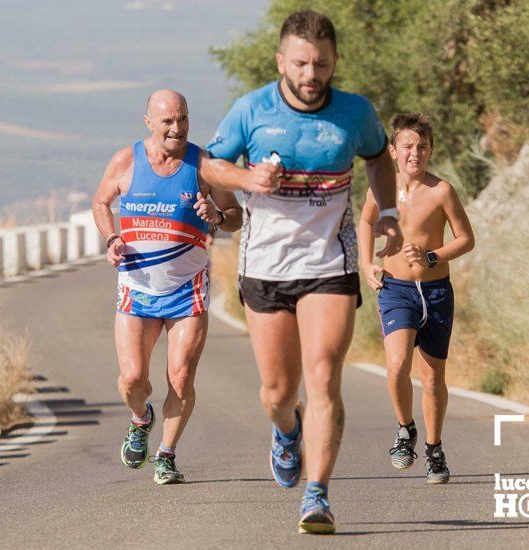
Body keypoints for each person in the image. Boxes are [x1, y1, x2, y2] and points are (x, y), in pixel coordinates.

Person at [203, 10, 403, 534]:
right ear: (281, 62)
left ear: (334, 61)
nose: (310, 74)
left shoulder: (355, 113)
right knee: (277, 391)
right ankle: (286, 431)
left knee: (322, 377)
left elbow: (380, 158)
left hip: (327, 263)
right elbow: (209, 164)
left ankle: (317, 496)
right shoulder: (252, 110)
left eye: (320, 63)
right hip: (265, 265)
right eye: (300, 63)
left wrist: (387, 212)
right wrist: (248, 177)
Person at [91, 89, 245, 485]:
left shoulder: (203, 163)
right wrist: (111, 239)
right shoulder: (127, 160)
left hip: (187, 289)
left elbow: (235, 217)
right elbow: (100, 202)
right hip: (137, 288)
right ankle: (141, 418)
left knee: (180, 377)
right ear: (149, 122)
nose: (177, 128)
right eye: (167, 122)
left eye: (183, 120)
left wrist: (216, 215)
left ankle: (167, 454)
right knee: (132, 379)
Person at [357, 113, 475, 484]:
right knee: (396, 366)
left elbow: (465, 238)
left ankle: (435, 450)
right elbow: (364, 222)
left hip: (436, 291)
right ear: (393, 151)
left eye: (422, 147)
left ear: (430, 150)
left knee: (433, 377)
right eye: (408, 146)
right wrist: (365, 263)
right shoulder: (380, 187)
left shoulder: (442, 191)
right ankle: (405, 429)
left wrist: (433, 256)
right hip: (396, 289)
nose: (415, 153)